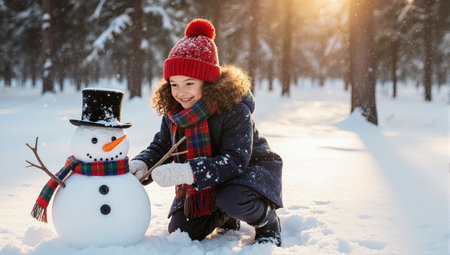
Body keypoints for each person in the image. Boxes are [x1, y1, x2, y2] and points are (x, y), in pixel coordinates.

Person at [129, 19, 283, 246]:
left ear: (208, 82)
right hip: (206, 181)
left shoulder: (234, 109)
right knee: (182, 230)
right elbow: (162, 146)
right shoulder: (175, 114)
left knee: (233, 198)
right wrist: (142, 164)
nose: (180, 93)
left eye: (189, 83)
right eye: (174, 84)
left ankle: (267, 221)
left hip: (249, 172)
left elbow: (236, 161)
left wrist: (188, 172)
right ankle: (223, 214)